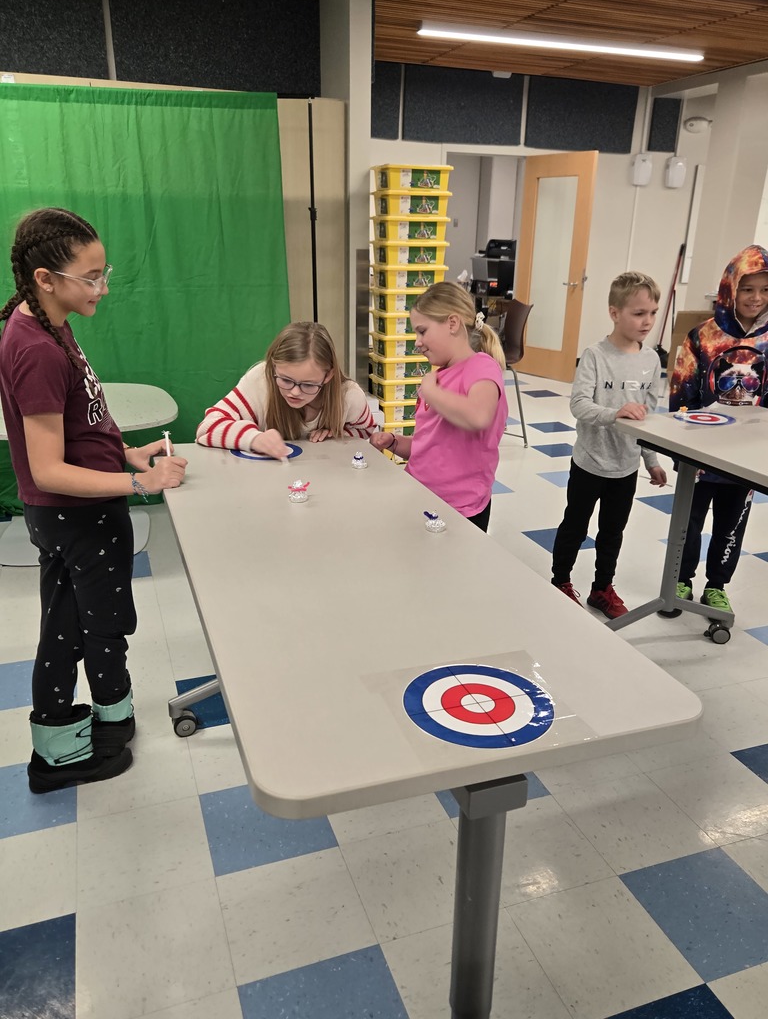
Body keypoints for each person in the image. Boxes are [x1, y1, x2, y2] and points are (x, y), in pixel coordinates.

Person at [0, 207, 187, 793]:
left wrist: (126, 454)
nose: (103, 287)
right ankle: (57, 751)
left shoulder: (52, 321)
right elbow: (49, 469)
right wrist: (140, 485)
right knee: (79, 629)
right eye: (92, 276)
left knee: (86, 623)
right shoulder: (36, 348)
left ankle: (110, 717)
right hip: (74, 515)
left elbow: (83, 423)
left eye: (105, 273)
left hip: (82, 512)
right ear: (45, 279)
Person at [551, 271, 667, 618]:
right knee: (575, 525)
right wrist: (615, 413)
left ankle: (602, 588)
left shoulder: (651, 361)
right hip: (589, 461)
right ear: (615, 313)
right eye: (639, 313)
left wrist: (652, 459)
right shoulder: (594, 356)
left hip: (626, 465)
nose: (647, 322)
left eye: (653, 313)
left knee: (613, 532)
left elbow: (647, 417)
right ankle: (560, 582)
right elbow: (579, 405)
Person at [667, 244, 768, 616]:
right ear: (730, 289)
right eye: (747, 288)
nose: (756, 298)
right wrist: (681, 447)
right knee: (688, 520)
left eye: (765, 290)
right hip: (699, 453)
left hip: (745, 457)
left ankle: (717, 585)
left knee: (731, 524)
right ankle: (679, 579)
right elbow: (681, 393)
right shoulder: (702, 337)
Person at [369, 281, 507, 532]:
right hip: (421, 496)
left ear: (452, 324)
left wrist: (431, 391)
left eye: (422, 331)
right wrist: (393, 442)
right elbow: (429, 446)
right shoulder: (440, 375)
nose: (417, 342)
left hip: (460, 510)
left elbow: (478, 416)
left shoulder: (482, 366)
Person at [196, 321, 375, 456]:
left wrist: (337, 434)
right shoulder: (261, 380)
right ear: (273, 367)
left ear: (328, 376)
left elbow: (365, 430)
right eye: (286, 380)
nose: (295, 392)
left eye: (308, 384)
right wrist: (253, 438)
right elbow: (207, 428)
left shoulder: (348, 396)